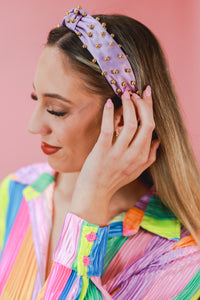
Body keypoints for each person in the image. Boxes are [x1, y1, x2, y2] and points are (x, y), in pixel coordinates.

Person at [0, 5, 200, 299]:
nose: (34, 126)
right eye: (36, 98)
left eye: (56, 110)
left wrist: (87, 205)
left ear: (124, 118)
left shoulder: (177, 255)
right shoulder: (17, 190)